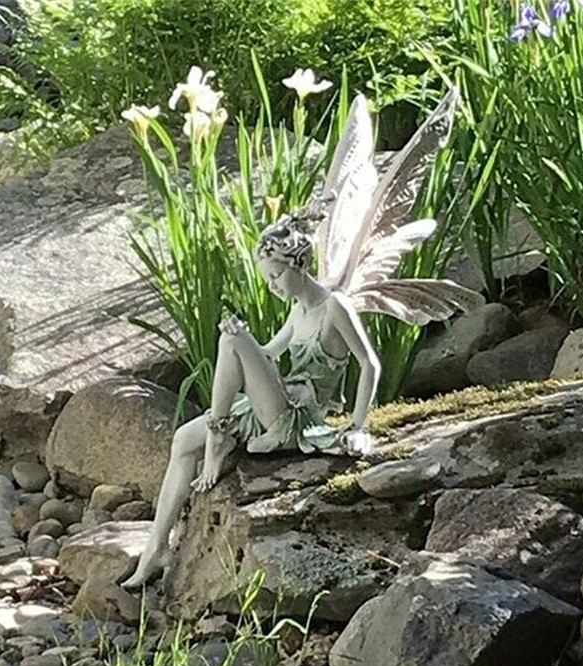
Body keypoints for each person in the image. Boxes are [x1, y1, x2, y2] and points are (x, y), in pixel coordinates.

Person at [121, 87, 481, 589]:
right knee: (184, 438)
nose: (271, 286)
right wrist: (245, 342)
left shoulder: (335, 307)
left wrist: (358, 426)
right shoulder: (297, 309)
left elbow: (370, 365)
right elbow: (267, 356)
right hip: (274, 404)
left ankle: (220, 435)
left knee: (230, 346)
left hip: (297, 419)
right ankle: (155, 550)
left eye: (274, 276)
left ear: (294, 264)